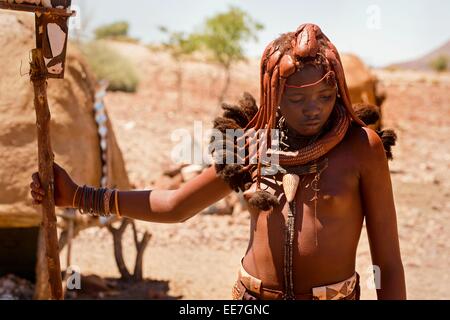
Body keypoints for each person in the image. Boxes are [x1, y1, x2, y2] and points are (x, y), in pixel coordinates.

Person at [30, 23, 406, 300]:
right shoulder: (250, 144)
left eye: (325, 96)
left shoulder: (361, 147)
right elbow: (175, 206)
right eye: (297, 100)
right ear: (273, 93)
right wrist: (79, 196)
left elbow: (386, 262)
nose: (314, 110)